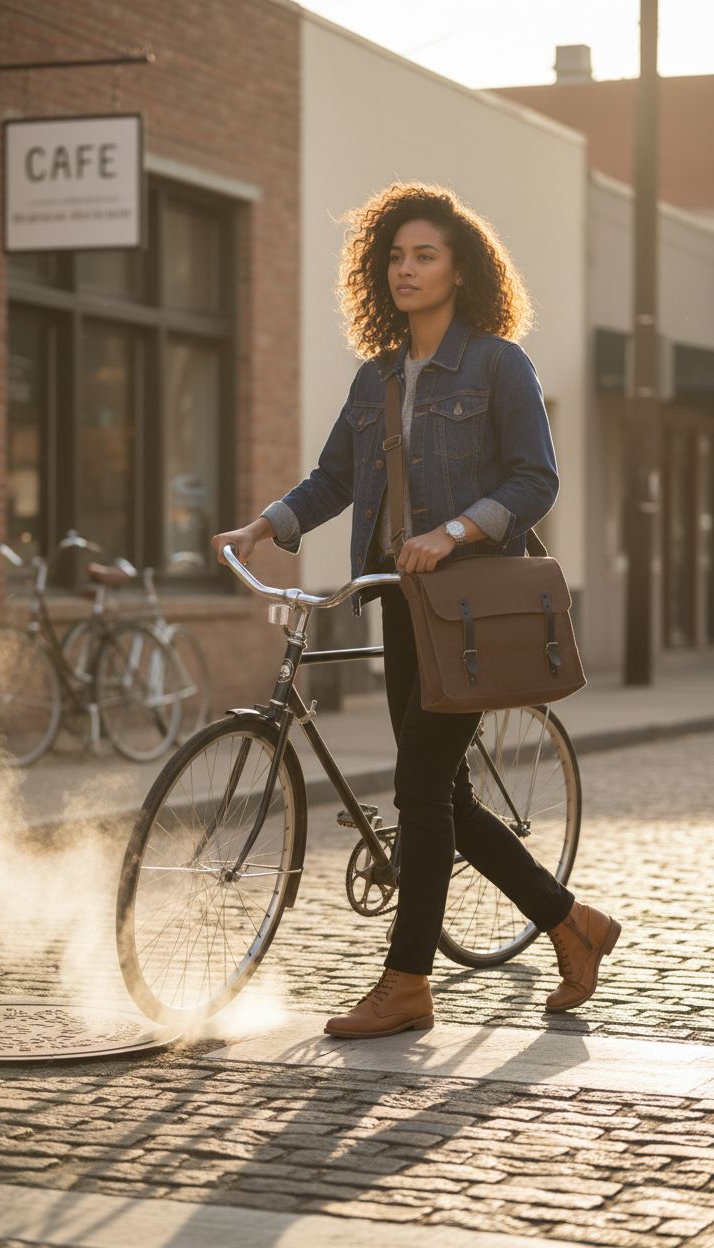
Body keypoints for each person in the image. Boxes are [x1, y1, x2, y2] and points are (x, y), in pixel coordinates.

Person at [211, 182, 620, 1040]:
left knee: (419, 786)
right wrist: (266, 526)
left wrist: (456, 529)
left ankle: (406, 984)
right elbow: (334, 478)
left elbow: (536, 479)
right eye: (394, 256)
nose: (405, 268)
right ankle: (572, 924)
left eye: (424, 255)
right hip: (398, 603)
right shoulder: (377, 378)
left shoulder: (500, 365)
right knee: (440, 794)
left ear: (461, 270)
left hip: (470, 610)